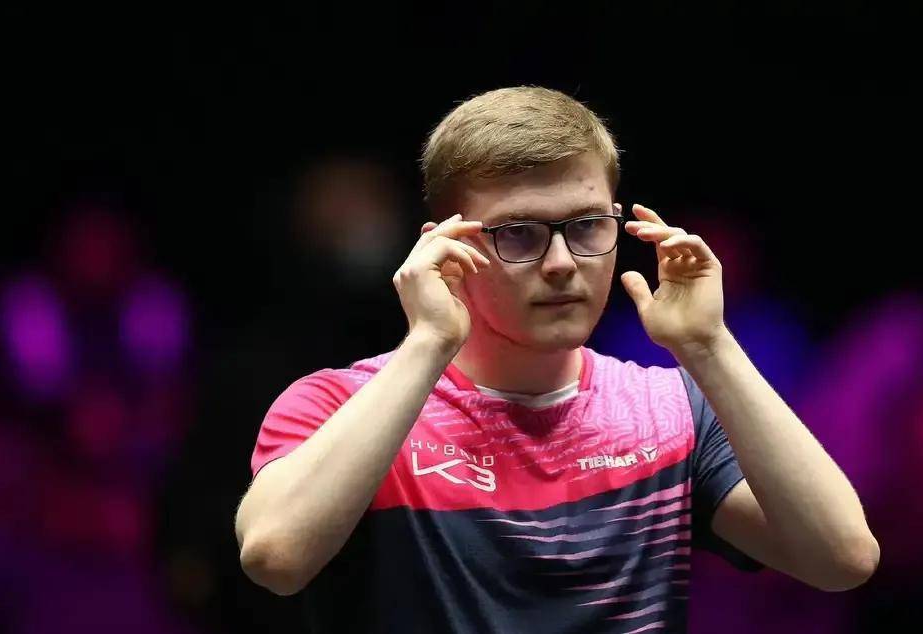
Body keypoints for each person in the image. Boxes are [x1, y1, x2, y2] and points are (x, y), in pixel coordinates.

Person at [235, 86, 880, 633]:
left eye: (587, 225)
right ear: (443, 247)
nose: (563, 263)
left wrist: (709, 345)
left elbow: (840, 559)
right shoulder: (338, 405)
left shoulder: (672, 410)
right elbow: (276, 557)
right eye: (519, 233)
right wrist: (429, 341)